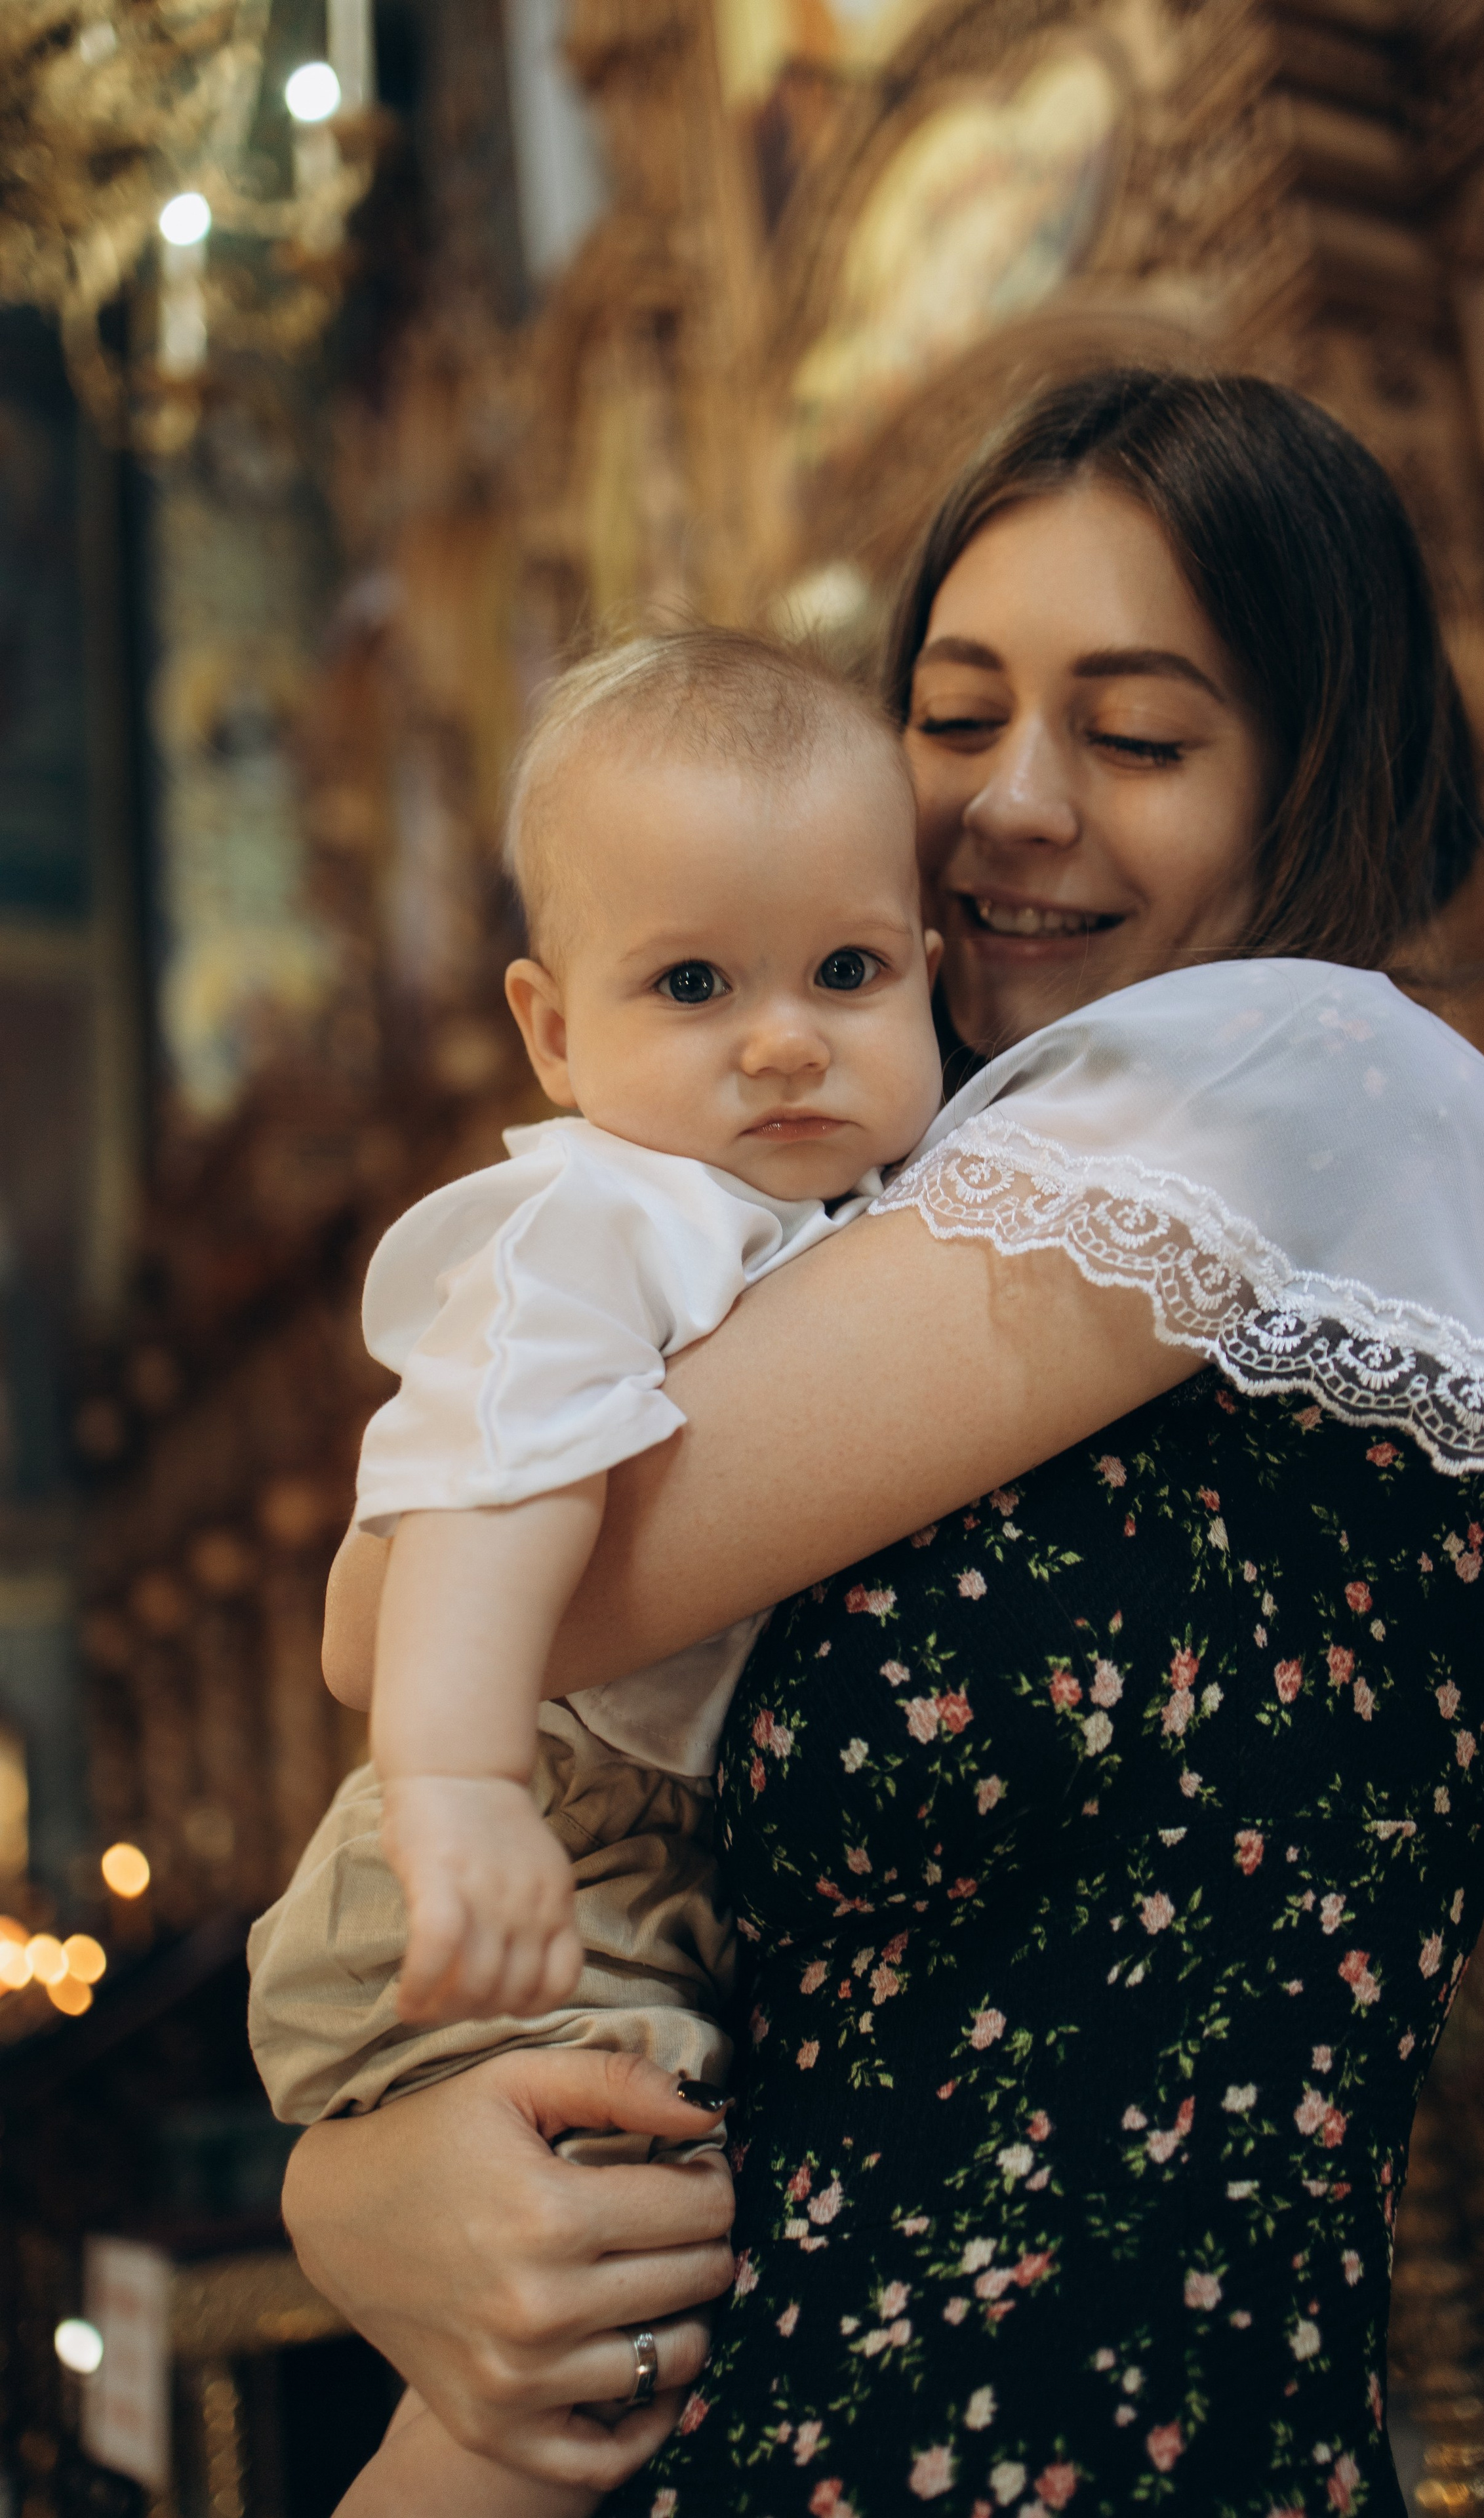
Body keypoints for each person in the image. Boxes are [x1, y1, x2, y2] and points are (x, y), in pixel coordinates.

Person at [285, 371, 1484, 2517]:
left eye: (1136, 737)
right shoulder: (884, 1201)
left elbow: (396, 1612)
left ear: (1318, 771)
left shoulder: (1285, 1073)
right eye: (952, 718)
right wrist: (365, 2183)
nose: (1013, 805)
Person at [247, 630, 946, 2515]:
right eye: (696, 982)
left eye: (851, 971)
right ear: (555, 1032)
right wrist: (460, 1783)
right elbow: (491, 1480)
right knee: (587, 2304)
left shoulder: (866, 1198)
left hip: (607, 1831)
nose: (787, 1035)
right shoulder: (607, 1214)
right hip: (523, 1824)